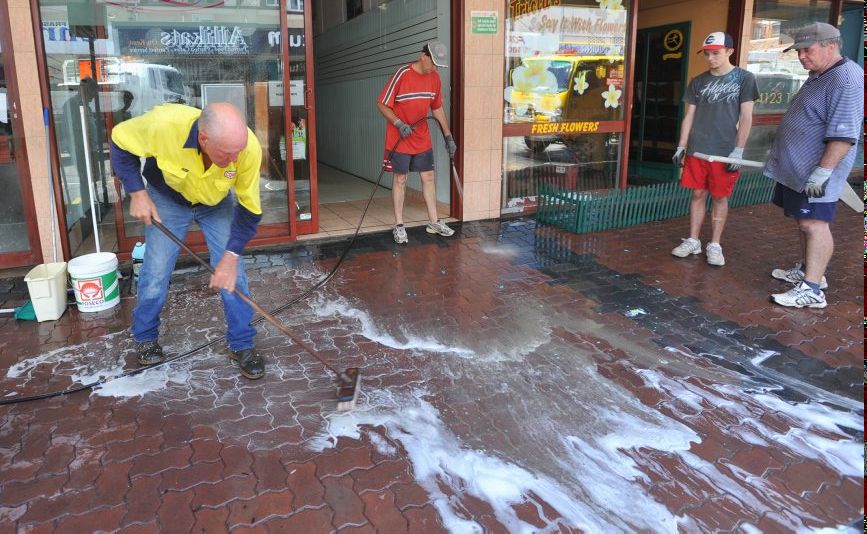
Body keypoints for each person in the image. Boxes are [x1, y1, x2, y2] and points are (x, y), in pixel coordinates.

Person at [110, 102, 266, 379]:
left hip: (215, 203)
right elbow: (120, 142)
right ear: (203, 139)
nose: (234, 161)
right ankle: (146, 337)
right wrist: (136, 192)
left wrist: (230, 256)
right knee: (156, 270)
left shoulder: (246, 149)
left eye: (237, 153)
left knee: (234, 274)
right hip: (168, 199)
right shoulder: (164, 125)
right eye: (227, 154)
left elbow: (250, 210)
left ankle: (242, 344)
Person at [763, 23, 862, 308]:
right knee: (803, 222)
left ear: (831, 46)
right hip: (798, 169)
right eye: (799, 51)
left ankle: (813, 288)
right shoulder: (820, 73)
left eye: (808, 50)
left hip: (817, 171)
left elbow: (844, 135)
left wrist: (823, 172)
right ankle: (808, 269)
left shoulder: (846, 79)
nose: (802, 56)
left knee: (814, 224)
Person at [671, 32, 758, 266]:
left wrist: (739, 150)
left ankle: (715, 244)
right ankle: (693, 240)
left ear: (730, 51)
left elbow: (747, 117)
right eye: (707, 54)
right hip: (698, 149)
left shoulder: (744, 78)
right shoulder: (698, 81)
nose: (710, 58)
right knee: (697, 194)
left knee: (720, 196)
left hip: (725, 150)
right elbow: (689, 115)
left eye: (716, 53)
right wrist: (681, 145)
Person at [377, 41, 457, 244]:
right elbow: (382, 103)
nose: (435, 68)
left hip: (421, 136)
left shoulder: (435, 79)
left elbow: (436, 108)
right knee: (400, 179)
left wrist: (448, 135)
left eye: (439, 65)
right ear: (423, 57)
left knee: (428, 176)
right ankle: (399, 225)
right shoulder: (402, 74)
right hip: (400, 136)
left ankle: (434, 221)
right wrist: (398, 123)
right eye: (434, 63)